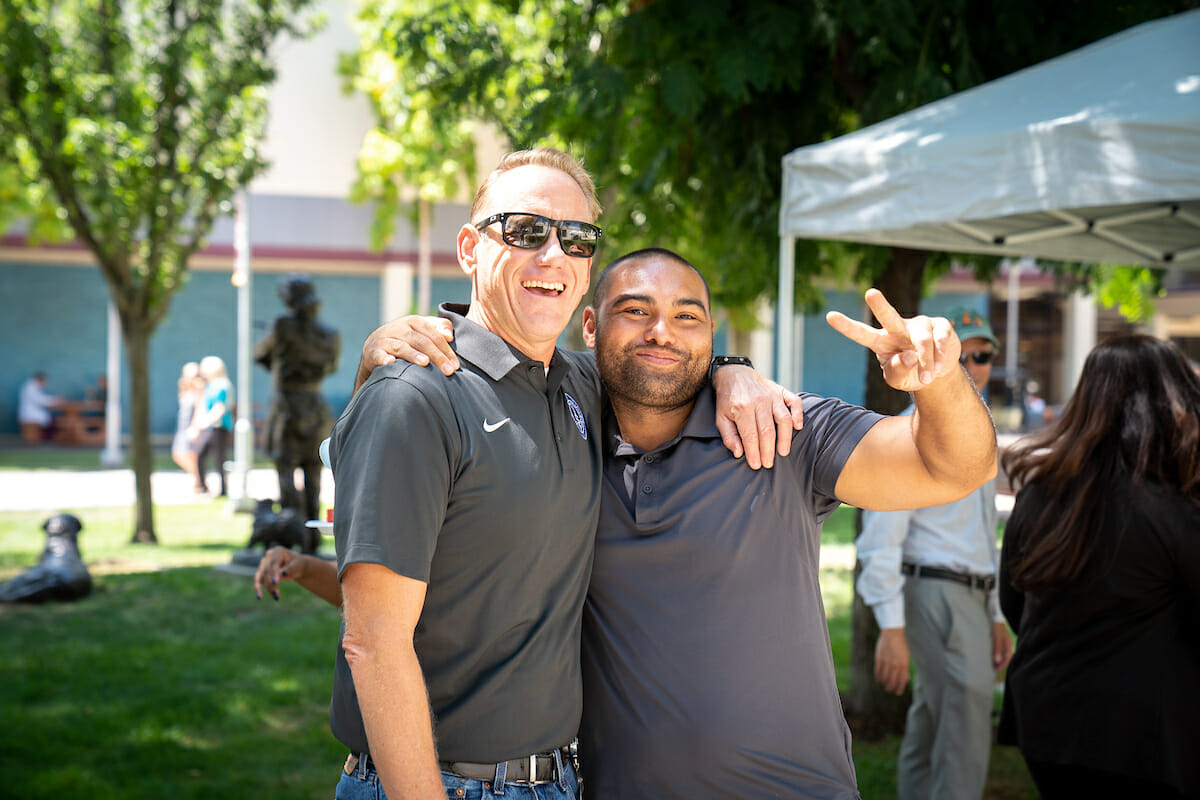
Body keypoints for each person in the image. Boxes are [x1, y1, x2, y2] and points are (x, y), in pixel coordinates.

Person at [337, 246, 997, 797]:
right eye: (636, 311)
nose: (663, 332)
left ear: (713, 339)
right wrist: (378, 351)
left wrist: (940, 385)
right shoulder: (557, 436)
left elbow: (951, 469)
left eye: (689, 318)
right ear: (590, 328)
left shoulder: (784, 431)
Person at [327, 148, 802, 800]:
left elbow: (659, 358)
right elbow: (373, 645)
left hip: (559, 780)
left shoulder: (581, 384)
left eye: (576, 239)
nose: (553, 254)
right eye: (525, 230)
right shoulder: (415, 396)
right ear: (470, 248)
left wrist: (732, 369)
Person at [997, 335, 1200, 800]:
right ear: (1177, 400)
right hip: (1144, 738)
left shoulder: (1040, 493)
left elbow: (1015, 603)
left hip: (1047, 723)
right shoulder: (1176, 505)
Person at [855, 306, 1013, 800]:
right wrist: (891, 627)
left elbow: (982, 536)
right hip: (935, 589)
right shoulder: (913, 428)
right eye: (965, 352)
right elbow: (881, 533)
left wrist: (992, 611)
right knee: (964, 726)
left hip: (968, 594)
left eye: (985, 354)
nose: (977, 364)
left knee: (935, 716)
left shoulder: (975, 435)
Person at [255, 273, 341, 523]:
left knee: (285, 470)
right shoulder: (330, 334)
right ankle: (310, 535)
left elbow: (260, 353)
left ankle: (290, 526)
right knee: (313, 472)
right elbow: (331, 366)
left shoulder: (281, 326)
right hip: (315, 407)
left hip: (286, 407)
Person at [191, 355, 234, 497]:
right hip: (209, 426)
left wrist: (206, 422)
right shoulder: (210, 385)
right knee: (201, 454)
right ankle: (202, 486)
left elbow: (219, 407)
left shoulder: (221, 384)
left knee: (219, 458)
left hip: (218, 426)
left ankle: (223, 489)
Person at [171, 362, 206, 491]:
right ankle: (198, 479)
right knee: (178, 454)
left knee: (190, 455)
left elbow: (199, 409)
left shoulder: (199, 390)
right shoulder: (185, 389)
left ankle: (199, 482)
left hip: (190, 427)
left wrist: (195, 427)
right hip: (182, 426)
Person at [18, 372, 61, 443]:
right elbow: (40, 400)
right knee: (52, 419)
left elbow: (41, 398)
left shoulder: (32, 387)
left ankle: (48, 437)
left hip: (32, 413)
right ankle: (47, 438)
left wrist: (54, 400)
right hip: (30, 415)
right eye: (44, 381)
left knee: (51, 418)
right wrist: (55, 400)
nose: (45, 384)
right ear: (40, 379)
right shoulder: (30, 388)